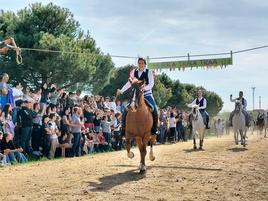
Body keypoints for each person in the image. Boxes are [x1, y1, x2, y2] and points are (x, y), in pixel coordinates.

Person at [117, 58, 158, 135]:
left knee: (155, 109)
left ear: (145, 64)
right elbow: (129, 83)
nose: (141, 64)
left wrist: (143, 89)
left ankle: (154, 129)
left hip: (147, 94)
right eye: (139, 63)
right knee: (126, 108)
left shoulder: (149, 72)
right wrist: (122, 90)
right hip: (136, 95)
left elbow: (151, 84)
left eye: (142, 63)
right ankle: (123, 128)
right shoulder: (134, 72)